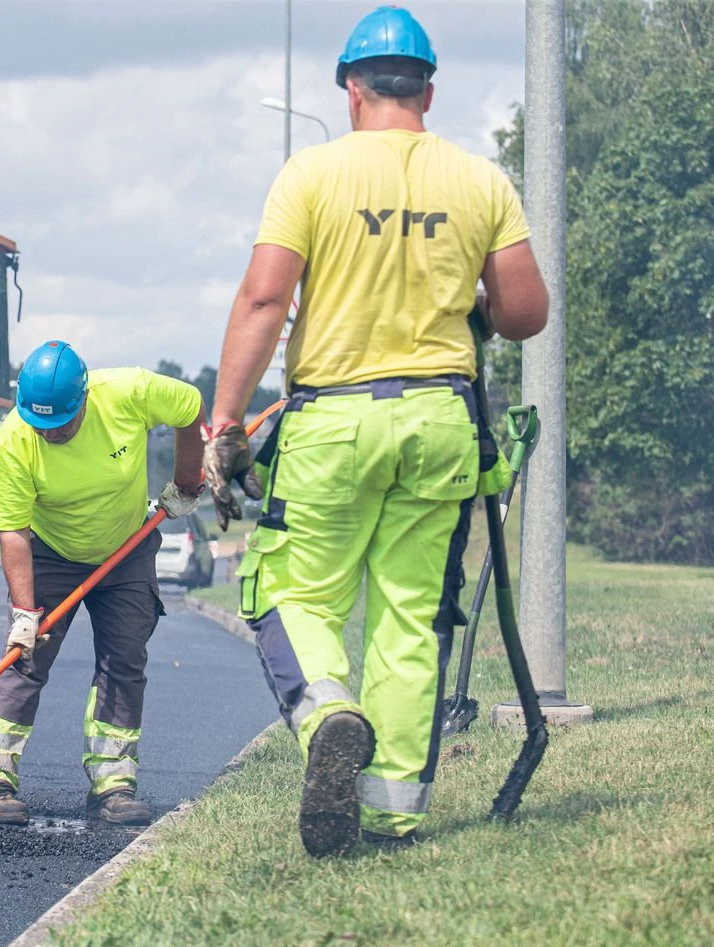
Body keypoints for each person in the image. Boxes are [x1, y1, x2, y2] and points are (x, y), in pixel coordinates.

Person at [203, 5, 548, 856]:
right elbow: (526, 313)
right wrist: (473, 302)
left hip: (331, 425)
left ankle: (327, 712)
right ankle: (393, 811)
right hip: (439, 427)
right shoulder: (480, 181)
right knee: (410, 618)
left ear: (351, 92)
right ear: (427, 91)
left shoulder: (311, 175)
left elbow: (264, 299)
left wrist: (225, 422)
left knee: (288, 591)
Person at [0, 340, 206, 826]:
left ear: (85, 398)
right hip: (50, 551)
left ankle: (113, 785)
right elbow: (13, 532)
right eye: (41, 425)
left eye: (62, 423)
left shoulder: (130, 392)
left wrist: (186, 482)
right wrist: (25, 615)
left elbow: (191, 407)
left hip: (126, 549)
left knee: (123, 662)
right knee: (25, 660)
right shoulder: (13, 440)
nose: (50, 433)